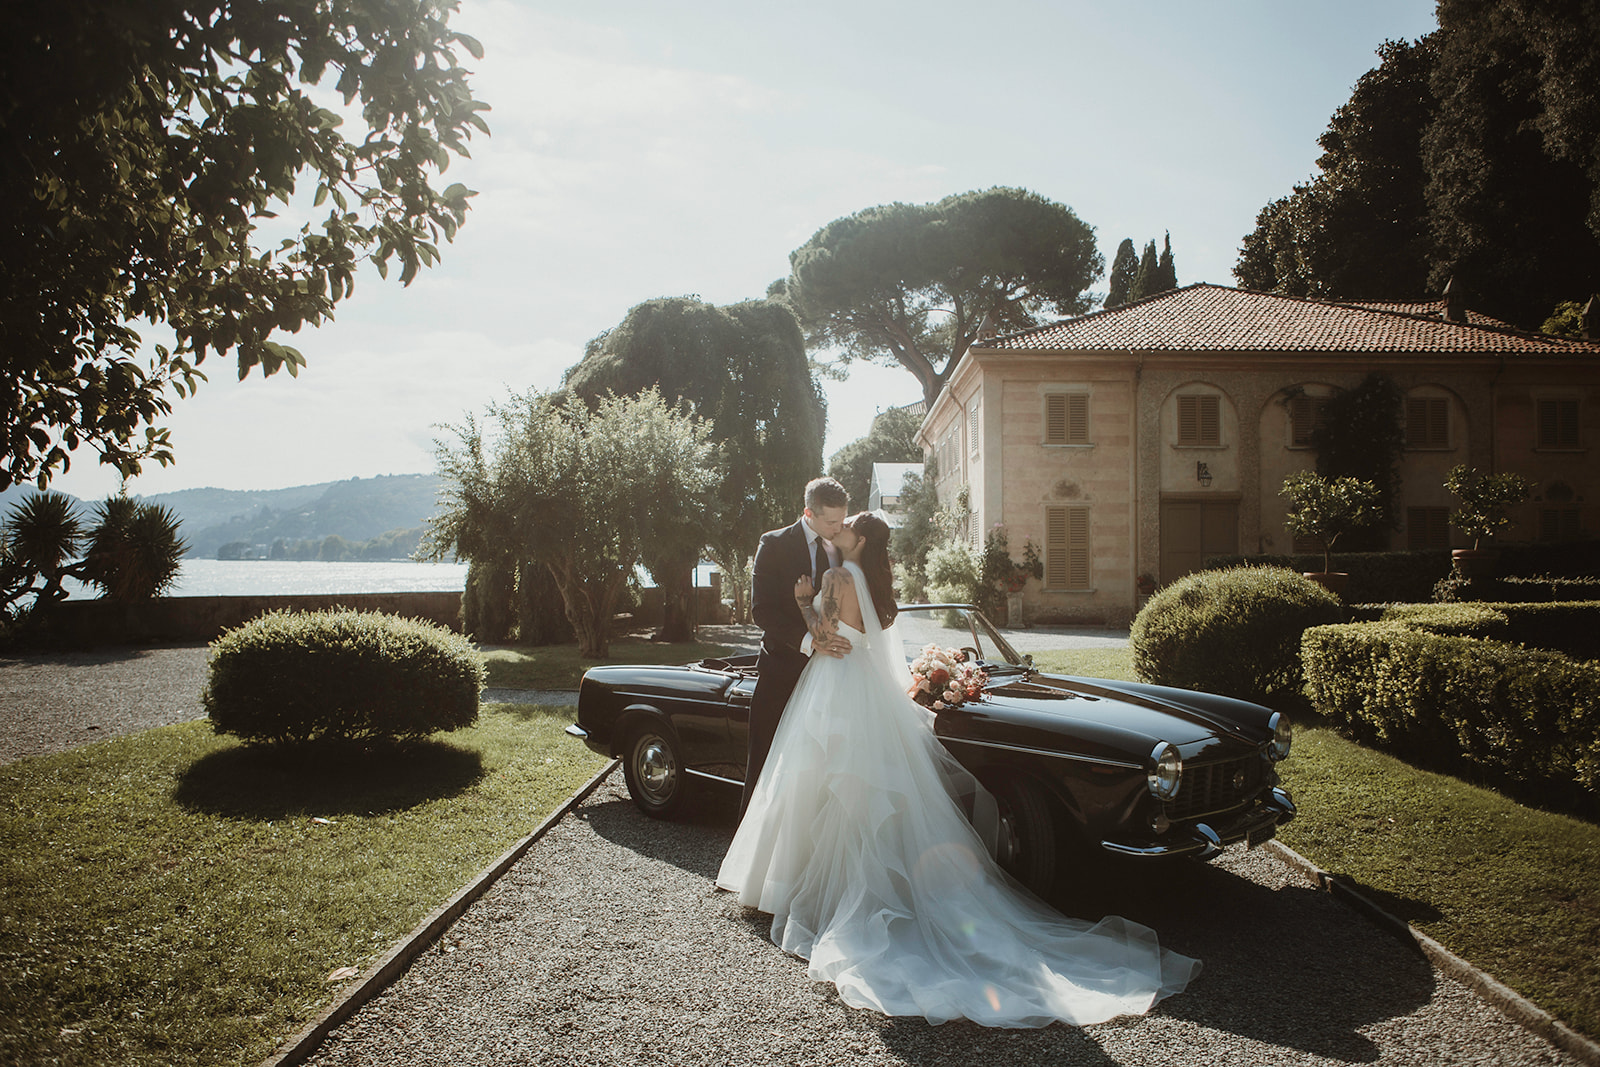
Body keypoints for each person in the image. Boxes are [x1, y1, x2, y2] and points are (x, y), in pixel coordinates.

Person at [717, 512, 1200, 1028]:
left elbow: (825, 631)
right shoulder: (879, 585)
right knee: (867, 790)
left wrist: (799, 601)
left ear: (857, 538)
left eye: (845, 527)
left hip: (835, 686)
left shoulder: (836, 579)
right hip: (866, 690)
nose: (836, 531)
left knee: (831, 784)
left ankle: (829, 893)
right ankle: (873, 888)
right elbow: (871, 642)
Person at [742, 477, 851, 818]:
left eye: (842, 519)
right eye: (831, 521)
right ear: (808, 513)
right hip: (781, 673)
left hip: (834, 679)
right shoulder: (773, 544)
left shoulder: (844, 545)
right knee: (764, 761)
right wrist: (809, 642)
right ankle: (747, 853)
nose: (838, 527)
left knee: (821, 769)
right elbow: (761, 610)